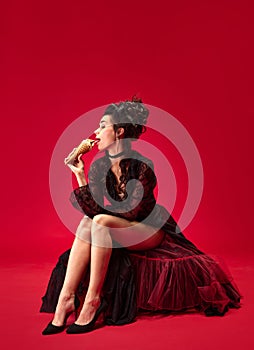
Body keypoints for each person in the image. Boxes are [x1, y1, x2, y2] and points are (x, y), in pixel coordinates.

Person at [41, 98, 241, 335]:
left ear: (119, 132)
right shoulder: (98, 167)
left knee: (100, 221)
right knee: (89, 221)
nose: (95, 132)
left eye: (102, 125)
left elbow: (132, 213)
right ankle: (66, 298)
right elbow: (93, 212)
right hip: (117, 226)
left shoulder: (142, 166)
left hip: (149, 229)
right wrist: (81, 176)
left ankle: (93, 300)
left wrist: (103, 215)